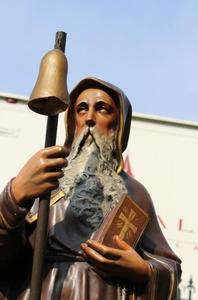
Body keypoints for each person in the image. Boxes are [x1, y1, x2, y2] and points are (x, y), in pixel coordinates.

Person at [0, 77, 181, 299]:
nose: (89, 118)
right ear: (71, 121)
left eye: (102, 109)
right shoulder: (47, 180)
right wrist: (14, 196)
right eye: (81, 109)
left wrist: (143, 270)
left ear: (119, 123)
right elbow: (7, 254)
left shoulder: (134, 192)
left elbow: (169, 266)